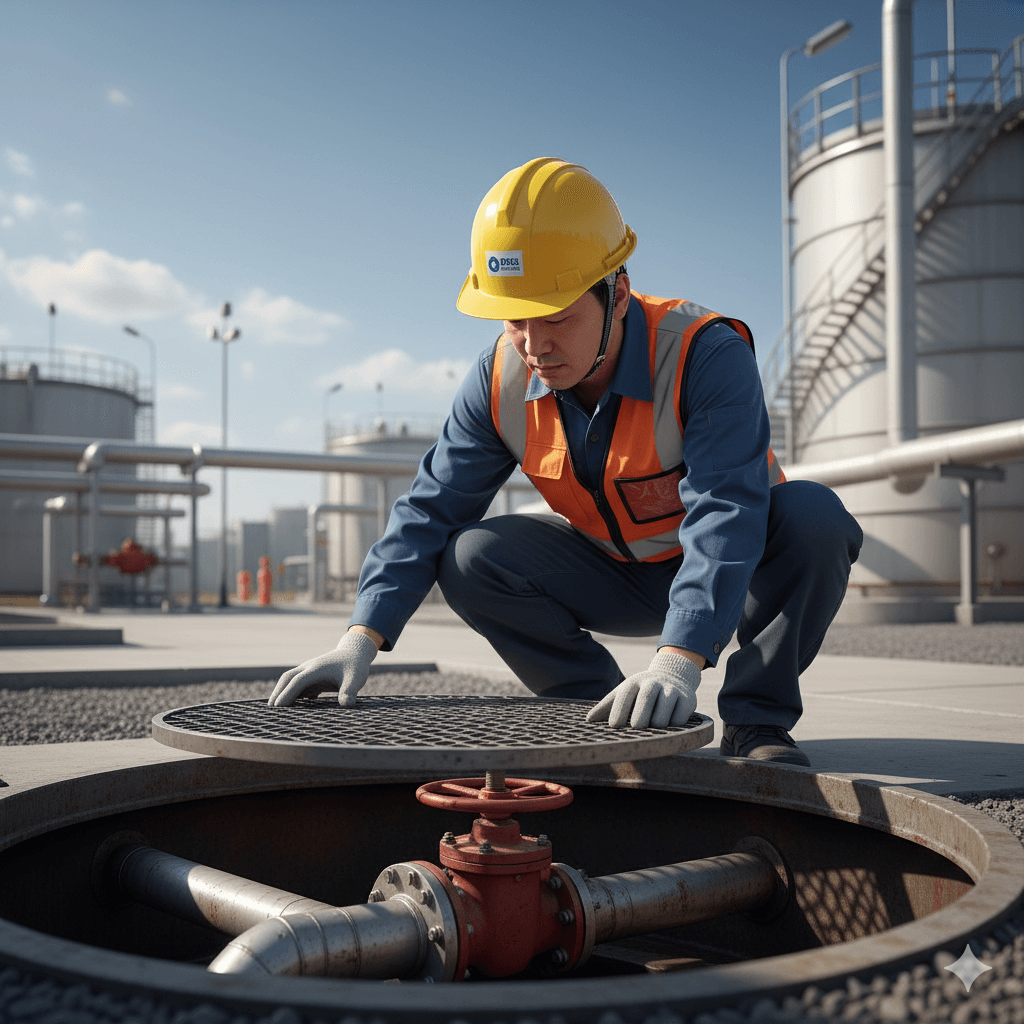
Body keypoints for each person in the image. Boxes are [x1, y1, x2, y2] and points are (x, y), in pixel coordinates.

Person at [269, 158, 863, 766]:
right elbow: (429, 509)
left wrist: (678, 660)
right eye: (516, 317)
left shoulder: (702, 354)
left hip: (738, 568)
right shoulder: (499, 379)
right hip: (617, 574)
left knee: (815, 517)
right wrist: (358, 638)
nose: (534, 343)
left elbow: (727, 509)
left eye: (556, 316)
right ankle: (598, 715)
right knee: (471, 555)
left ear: (620, 293)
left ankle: (756, 723)